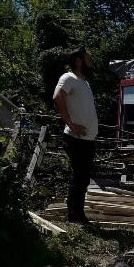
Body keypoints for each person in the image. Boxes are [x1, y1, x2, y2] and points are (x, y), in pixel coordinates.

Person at [53, 46, 98, 225]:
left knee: (83, 178)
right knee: (79, 177)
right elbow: (57, 97)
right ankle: (74, 217)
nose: (91, 62)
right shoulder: (68, 77)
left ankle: (79, 216)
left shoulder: (84, 82)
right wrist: (71, 124)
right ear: (78, 61)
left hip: (87, 139)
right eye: (89, 59)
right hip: (76, 138)